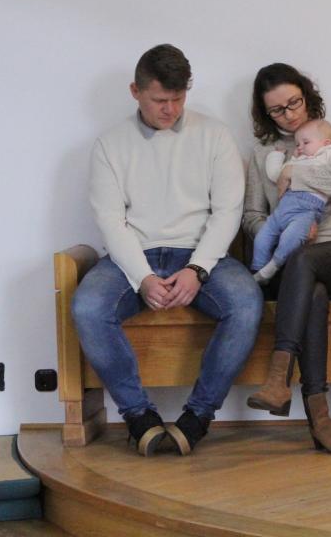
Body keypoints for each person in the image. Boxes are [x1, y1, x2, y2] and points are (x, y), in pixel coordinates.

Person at [72, 44, 263, 456]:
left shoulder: (214, 135)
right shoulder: (110, 144)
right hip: (133, 257)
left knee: (246, 303)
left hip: (200, 253)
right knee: (88, 307)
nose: (170, 109)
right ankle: (139, 416)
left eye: (178, 98)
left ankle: (198, 416)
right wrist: (142, 277)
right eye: (160, 100)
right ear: (135, 91)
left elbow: (227, 211)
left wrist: (198, 269)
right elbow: (111, 221)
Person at [242, 63, 331, 454]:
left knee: (306, 263)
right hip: (292, 258)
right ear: (266, 113)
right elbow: (252, 216)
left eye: (294, 103)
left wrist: (293, 176)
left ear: (306, 94)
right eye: (277, 110)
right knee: (309, 284)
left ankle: (277, 377)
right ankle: (321, 417)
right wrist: (283, 230)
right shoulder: (263, 153)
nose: (289, 115)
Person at [250, 119, 331, 285]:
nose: (300, 147)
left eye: (306, 143)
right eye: (298, 144)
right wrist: (277, 156)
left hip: (305, 210)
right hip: (282, 210)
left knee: (291, 239)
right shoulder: (297, 159)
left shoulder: (327, 154)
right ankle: (257, 270)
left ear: (326, 143)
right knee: (262, 238)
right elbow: (275, 174)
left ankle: (272, 266)